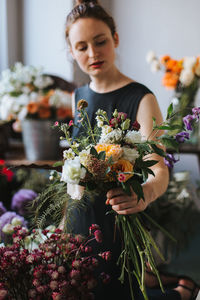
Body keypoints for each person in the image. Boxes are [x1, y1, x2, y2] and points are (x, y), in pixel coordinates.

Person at [64, 0, 199, 299]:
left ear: (115, 39)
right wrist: (63, 225)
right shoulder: (78, 97)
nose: (93, 53)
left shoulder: (141, 98)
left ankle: (181, 293)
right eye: (82, 46)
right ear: (72, 52)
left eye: (100, 42)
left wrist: (145, 195)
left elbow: (159, 168)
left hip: (118, 223)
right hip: (79, 221)